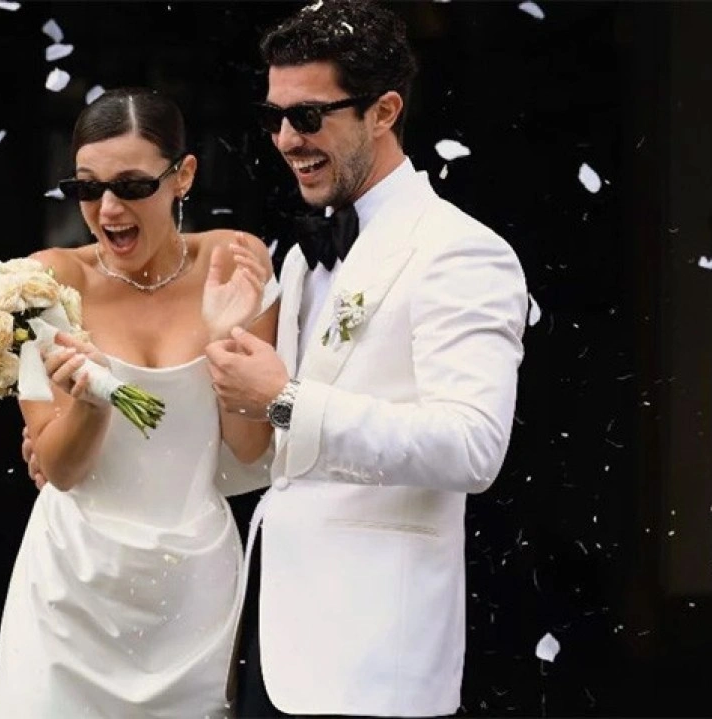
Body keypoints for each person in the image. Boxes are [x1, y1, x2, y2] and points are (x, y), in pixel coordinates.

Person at [203, 1, 530, 717]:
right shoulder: (299, 257)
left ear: (383, 112)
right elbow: (271, 455)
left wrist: (286, 397)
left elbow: (473, 446)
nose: (286, 140)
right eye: (274, 118)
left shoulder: (460, 250)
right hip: (272, 642)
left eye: (308, 116)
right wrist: (225, 344)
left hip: (375, 658)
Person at [0, 86, 279, 718]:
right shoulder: (44, 281)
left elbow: (249, 447)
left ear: (184, 176)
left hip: (194, 595)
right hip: (71, 592)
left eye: (132, 186)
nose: (109, 209)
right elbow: (60, 469)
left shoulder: (235, 259)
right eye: (88, 188)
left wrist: (225, 337)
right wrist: (91, 403)